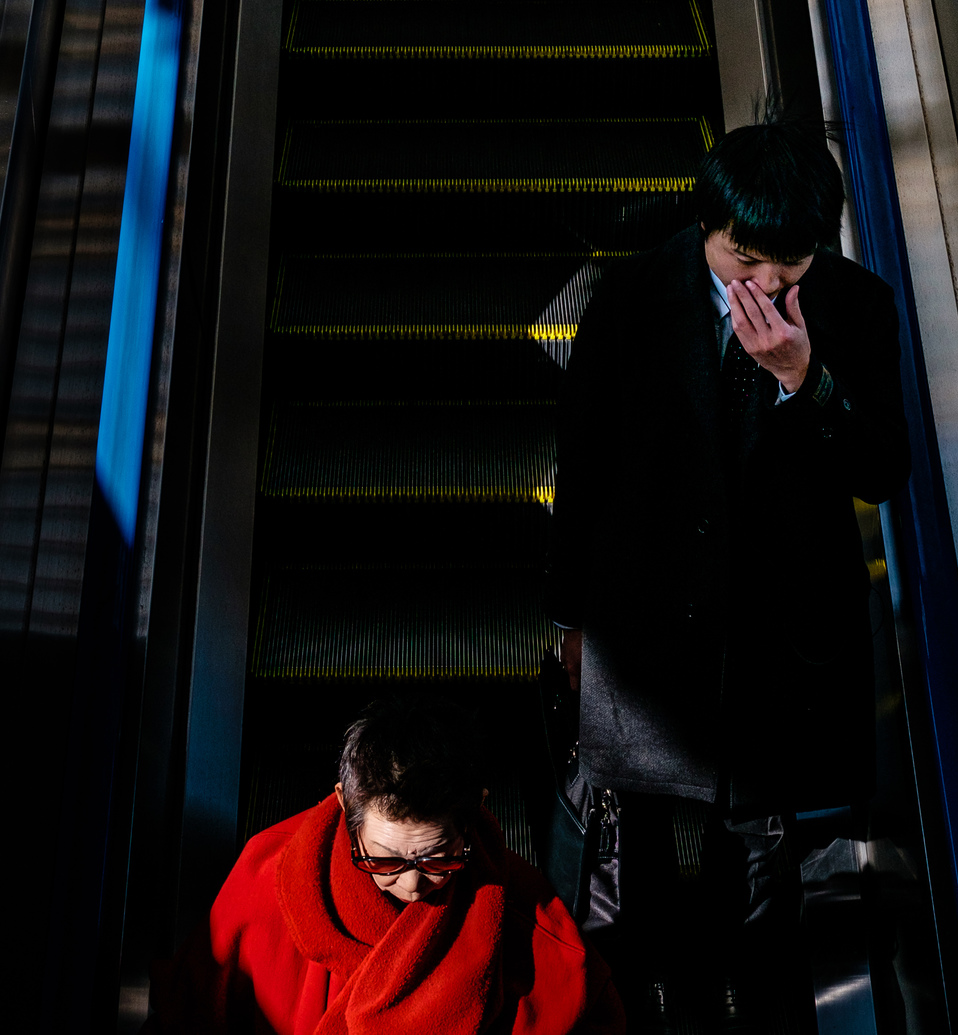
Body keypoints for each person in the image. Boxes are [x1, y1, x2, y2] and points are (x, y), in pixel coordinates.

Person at [548, 120, 911, 1024]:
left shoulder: (855, 306)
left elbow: (883, 469)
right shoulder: (632, 295)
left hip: (778, 644)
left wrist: (806, 378)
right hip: (644, 636)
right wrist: (569, 622)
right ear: (711, 228)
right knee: (629, 868)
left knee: (758, 882)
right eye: (744, 263)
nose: (764, 288)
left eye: (788, 271)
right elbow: (582, 467)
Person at [146, 696, 624, 1035]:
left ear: (474, 815)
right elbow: (187, 1013)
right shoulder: (267, 878)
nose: (414, 882)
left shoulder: (524, 917)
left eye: (439, 856)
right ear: (343, 806)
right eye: (383, 859)